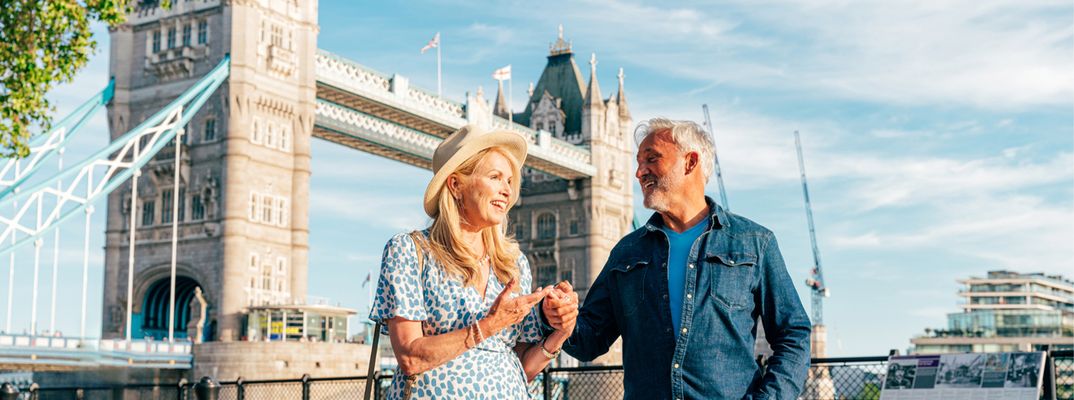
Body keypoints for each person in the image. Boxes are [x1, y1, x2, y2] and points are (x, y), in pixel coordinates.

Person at [543, 118, 812, 399]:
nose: (639, 172)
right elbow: (589, 340)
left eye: (652, 159)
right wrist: (562, 319)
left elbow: (793, 334)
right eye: (638, 162)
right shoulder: (626, 252)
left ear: (690, 162)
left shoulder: (754, 243)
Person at [370, 124, 577, 399]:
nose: (506, 190)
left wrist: (560, 332)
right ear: (456, 184)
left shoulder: (514, 264)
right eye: (495, 177)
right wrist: (488, 326)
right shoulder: (410, 251)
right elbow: (410, 357)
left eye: (509, 181)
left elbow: (520, 365)